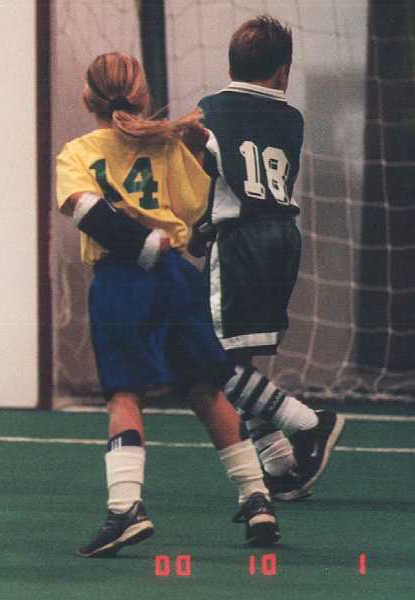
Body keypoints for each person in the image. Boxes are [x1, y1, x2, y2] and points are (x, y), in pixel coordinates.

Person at [57, 52, 280, 556]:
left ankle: (125, 509)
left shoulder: (77, 153)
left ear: (88, 98)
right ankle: (257, 497)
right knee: (205, 390)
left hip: (121, 280)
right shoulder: (165, 144)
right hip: (176, 277)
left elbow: (87, 214)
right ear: (142, 94)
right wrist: (193, 155)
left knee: (125, 394)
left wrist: (139, 244)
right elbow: (195, 207)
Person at [191, 15, 344, 501]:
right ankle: (279, 464)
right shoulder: (292, 118)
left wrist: (197, 224)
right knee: (239, 358)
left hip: (240, 240)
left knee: (209, 361)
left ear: (230, 64)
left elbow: (212, 176)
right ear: (283, 71)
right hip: (281, 239)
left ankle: (308, 423)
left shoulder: (210, 111)